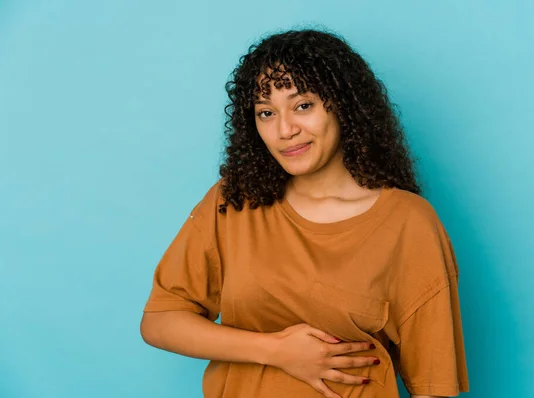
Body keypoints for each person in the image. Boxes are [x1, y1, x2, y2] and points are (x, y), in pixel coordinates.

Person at [140, 28, 470, 398]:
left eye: (303, 105)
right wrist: (277, 351)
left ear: (343, 104)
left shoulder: (409, 223)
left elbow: (433, 385)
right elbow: (160, 321)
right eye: (266, 113)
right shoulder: (234, 202)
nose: (285, 130)